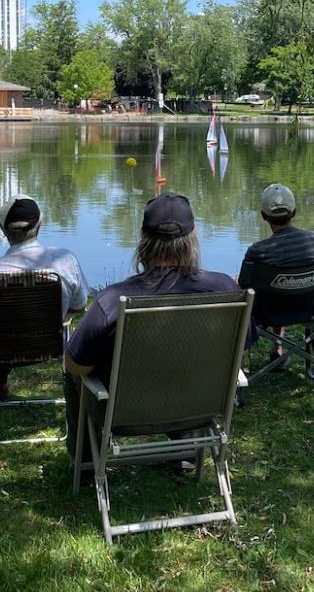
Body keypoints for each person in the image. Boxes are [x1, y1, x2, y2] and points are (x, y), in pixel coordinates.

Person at [62, 193, 239, 455]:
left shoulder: (113, 301)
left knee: (70, 372)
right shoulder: (226, 290)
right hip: (199, 407)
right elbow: (239, 350)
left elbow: (75, 364)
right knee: (182, 359)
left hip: (126, 415)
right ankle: (186, 450)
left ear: (143, 237)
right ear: (194, 235)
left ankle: (86, 463)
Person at [0, 194, 92, 400]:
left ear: (3, 230)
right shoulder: (64, 262)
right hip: (49, 345)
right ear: (39, 225)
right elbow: (80, 304)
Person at [239, 184, 314, 362]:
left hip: (268, 313)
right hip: (307, 309)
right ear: (294, 212)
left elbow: (243, 287)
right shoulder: (313, 244)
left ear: (263, 215)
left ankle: (240, 362)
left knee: (274, 293)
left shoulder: (257, 251)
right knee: (282, 290)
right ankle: (278, 346)